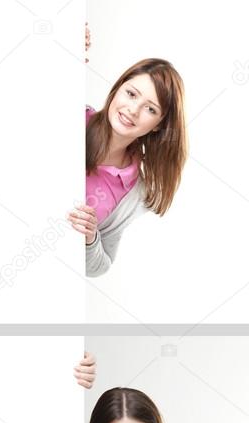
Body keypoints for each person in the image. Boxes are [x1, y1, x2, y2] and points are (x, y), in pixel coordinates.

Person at [70, 33, 187, 276]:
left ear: (158, 124)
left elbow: (99, 267)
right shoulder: (73, 117)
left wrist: (90, 238)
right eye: (131, 94)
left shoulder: (134, 191)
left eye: (150, 109)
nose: (133, 110)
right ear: (118, 88)